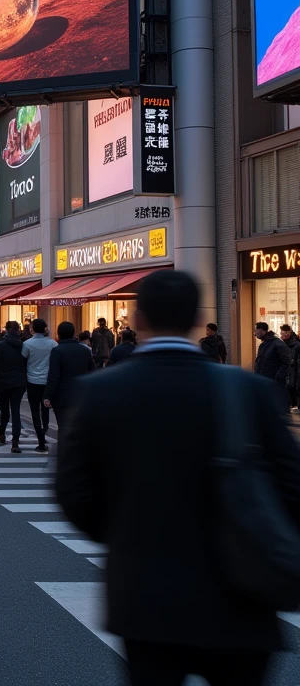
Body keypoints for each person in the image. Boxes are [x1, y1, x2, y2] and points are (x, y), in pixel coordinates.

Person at [56, 269, 300, 686]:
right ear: (194, 320)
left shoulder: (100, 392)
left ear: (137, 319)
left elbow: (74, 493)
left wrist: (125, 528)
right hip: (243, 594)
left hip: (146, 594)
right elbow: (292, 488)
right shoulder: (249, 391)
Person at [0, 321, 28, 453]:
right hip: (19, 381)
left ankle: (1, 430)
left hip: (2, 381)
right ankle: (15, 442)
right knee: (16, 411)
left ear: (7, 330)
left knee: (4, 411)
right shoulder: (24, 346)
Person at [43, 321, 95, 427]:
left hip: (62, 395)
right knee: (79, 425)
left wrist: (48, 395)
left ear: (59, 334)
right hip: (81, 393)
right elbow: (92, 371)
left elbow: (54, 375)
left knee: (63, 426)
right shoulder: (85, 350)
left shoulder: (57, 351)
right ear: (73, 333)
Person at [22, 318, 57, 453]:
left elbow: (24, 360)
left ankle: (40, 439)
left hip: (32, 380)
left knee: (34, 410)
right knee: (46, 408)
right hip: (47, 381)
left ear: (32, 329)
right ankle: (45, 429)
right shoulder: (53, 344)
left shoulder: (27, 344)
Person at [254, 322, 292, 414]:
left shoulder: (277, 344)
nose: (254, 332)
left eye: (256, 330)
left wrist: (278, 378)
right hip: (264, 382)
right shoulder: (264, 344)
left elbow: (286, 362)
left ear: (262, 330)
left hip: (273, 382)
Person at [281, 323, 300, 411]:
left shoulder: (295, 344)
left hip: (294, 371)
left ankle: (294, 404)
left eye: (282, 333)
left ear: (288, 333)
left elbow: (292, 360)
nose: (281, 335)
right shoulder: (283, 343)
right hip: (288, 370)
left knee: (292, 386)